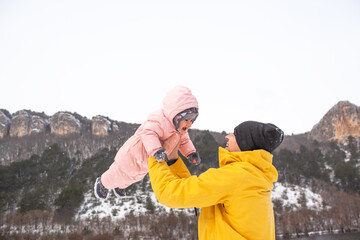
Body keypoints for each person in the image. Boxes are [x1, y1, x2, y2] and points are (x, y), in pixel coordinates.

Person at [148, 121, 284, 240]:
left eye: (234, 134)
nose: (227, 136)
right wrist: (173, 160)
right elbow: (197, 194)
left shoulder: (235, 176)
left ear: (245, 143)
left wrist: (154, 154)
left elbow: (170, 193)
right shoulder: (253, 177)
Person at [94, 86, 201, 199]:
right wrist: (156, 150)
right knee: (120, 173)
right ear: (176, 115)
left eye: (191, 121)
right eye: (186, 120)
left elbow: (184, 141)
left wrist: (190, 153)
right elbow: (149, 133)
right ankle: (102, 183)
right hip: (133, 154)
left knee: (136, 176)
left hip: (147, 159)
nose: (189, 124)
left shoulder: (180, 129)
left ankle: (120, 186)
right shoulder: (160, 121)